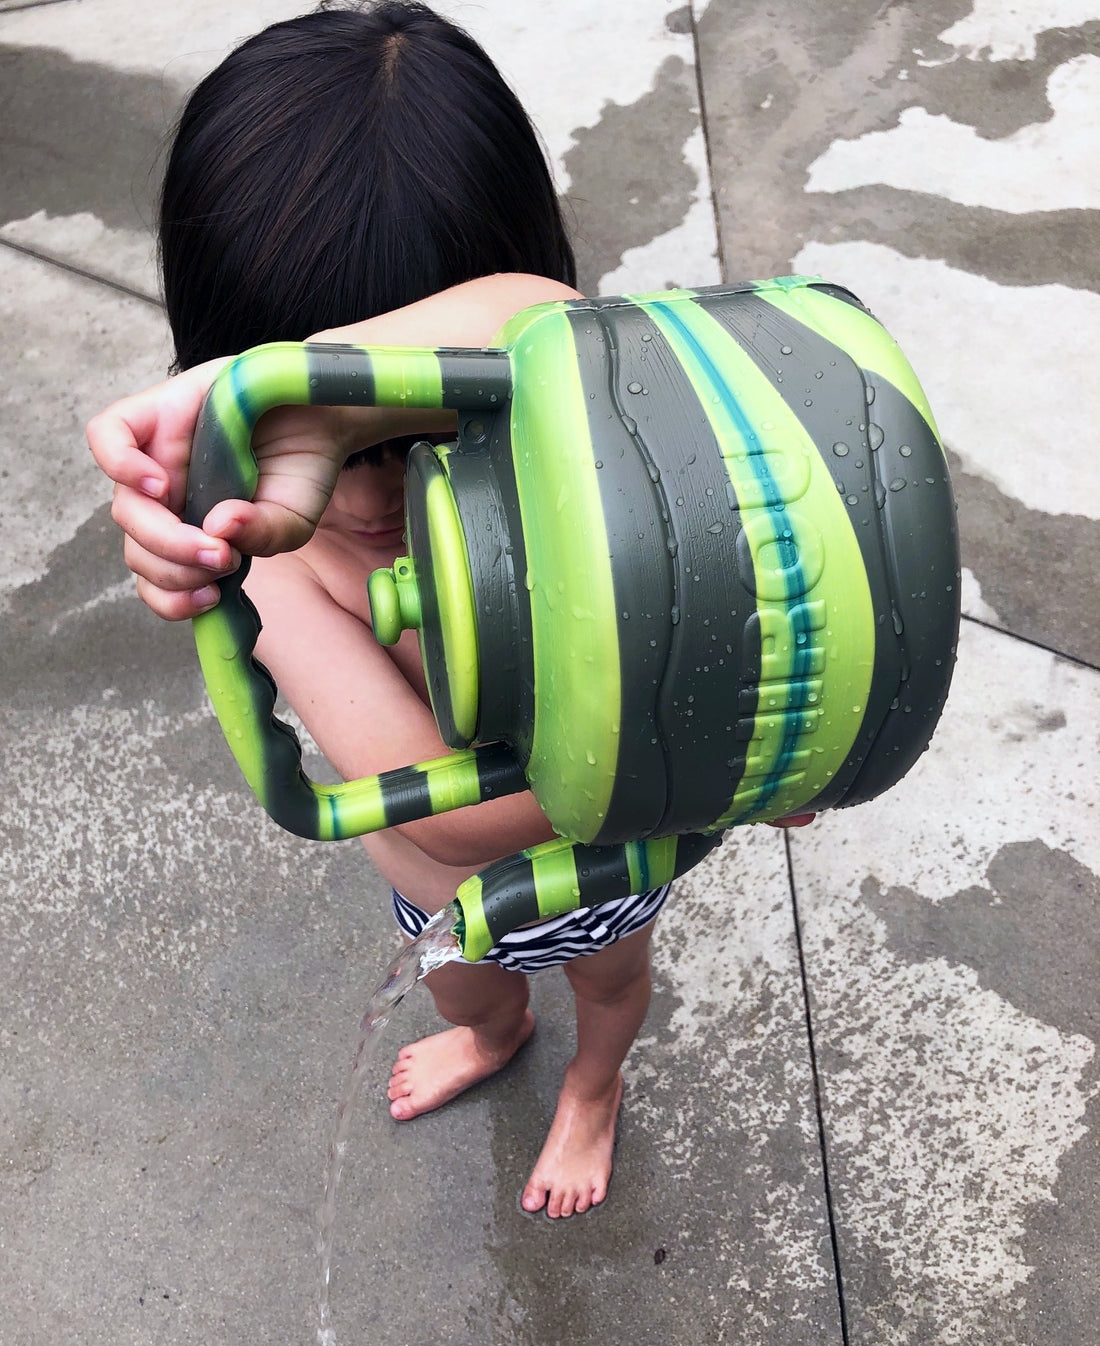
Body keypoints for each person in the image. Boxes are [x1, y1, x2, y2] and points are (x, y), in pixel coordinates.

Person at [88, 1, 811, 1220]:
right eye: (319, 435)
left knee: (612, 986)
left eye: (426, 433)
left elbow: (535, 314)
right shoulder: (268, 559)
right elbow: (460, 821)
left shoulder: (577, 468)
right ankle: (492, 1036)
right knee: (464, 991)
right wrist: (719, 749)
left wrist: (291, 394)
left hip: (604, 878)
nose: (370, 493)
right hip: (441, 884)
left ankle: (592, 1090)